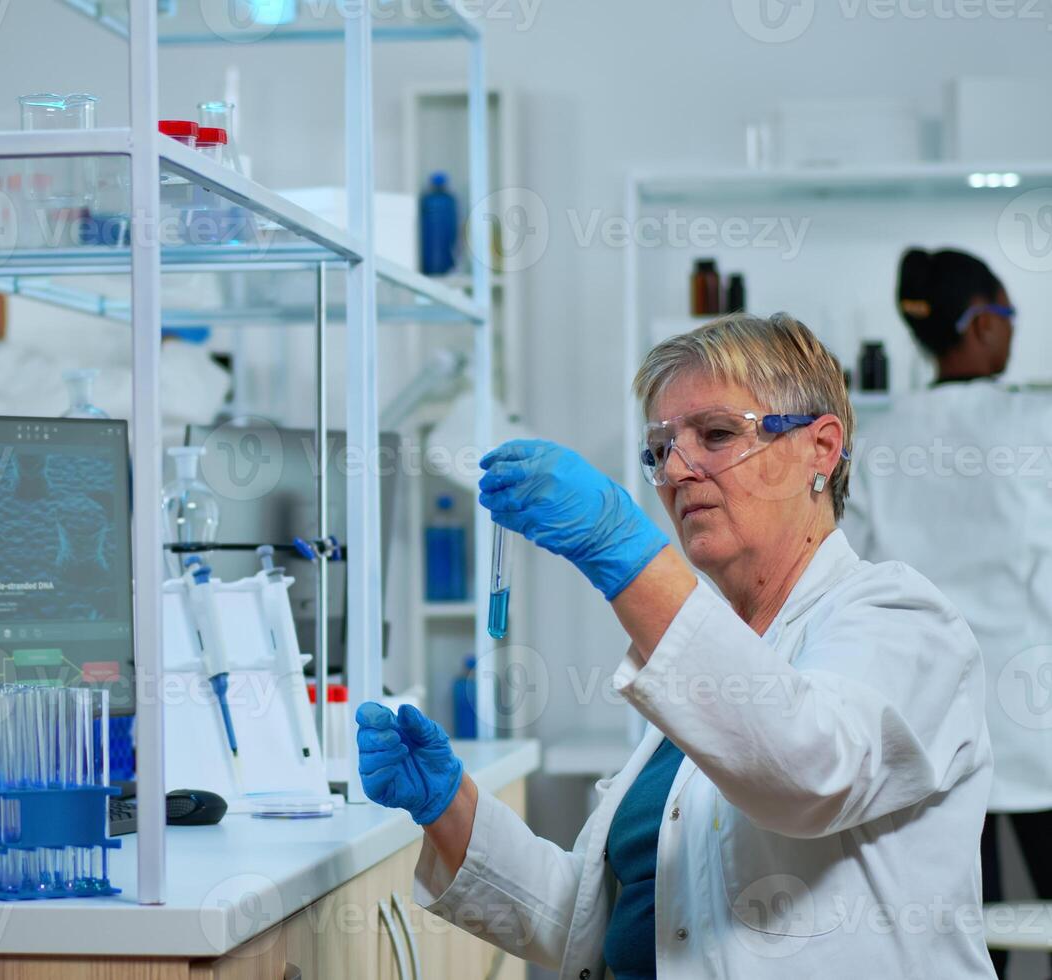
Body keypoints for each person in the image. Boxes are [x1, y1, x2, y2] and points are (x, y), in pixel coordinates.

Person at [357, 313, 993, 978]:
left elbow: (808, 768)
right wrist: (449, 807)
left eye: (716, 434)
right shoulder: (708, 663)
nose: (677, 471)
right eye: (660, 449)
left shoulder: (904, 619)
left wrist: (621, 550)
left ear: (821, 448)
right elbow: (594, 923)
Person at [845, 248, 1052, 977]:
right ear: (984, 323)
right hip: (1038, 722)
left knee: (963, 942)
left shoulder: (880, 442)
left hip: (936, 730)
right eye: (1009, 313)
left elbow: (857, 583)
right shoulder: (1036, 425)